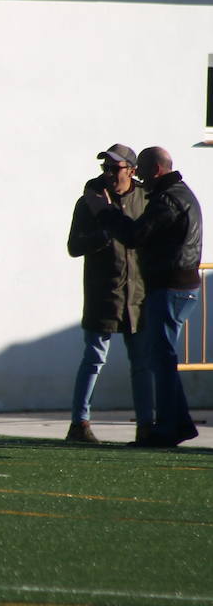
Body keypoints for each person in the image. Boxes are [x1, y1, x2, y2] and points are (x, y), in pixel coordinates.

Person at [91, 146, 203, 447]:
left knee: (161, 360)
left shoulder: (167, 200)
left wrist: (106, 211)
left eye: (140, 168)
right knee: (162, 358)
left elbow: (135, 236)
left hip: (170, 287)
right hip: (180, 287)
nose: (136, 174)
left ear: (156, 170)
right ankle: (177, 424)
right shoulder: (179, 193)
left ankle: (169, 428)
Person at [65, 144, 146, 443]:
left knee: (141, 362)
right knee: (94, 358)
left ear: (132, 170)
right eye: (106, 168)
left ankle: (146, 424)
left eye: (116, 168)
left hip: (138, 295)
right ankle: (80, 423)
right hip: (103, 292)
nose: (110, 174)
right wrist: (103, 233)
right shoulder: (89, 202)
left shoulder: (145, 199)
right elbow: (74, 246)